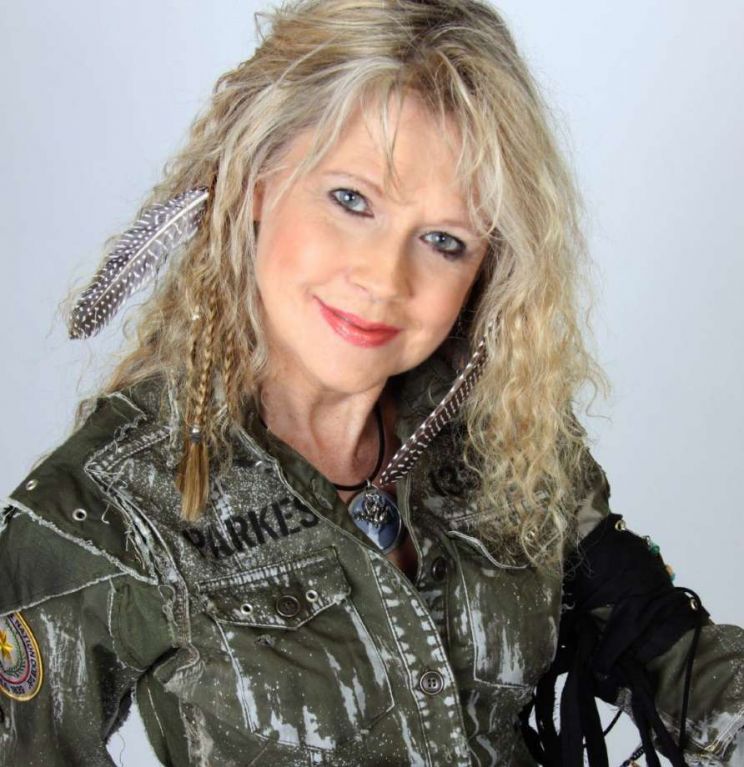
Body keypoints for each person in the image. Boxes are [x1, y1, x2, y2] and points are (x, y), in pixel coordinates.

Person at [0, 0, 742, 765]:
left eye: (444, 240)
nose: (386, 279)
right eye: (351, 199)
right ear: (256, 179)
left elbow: (661, 643)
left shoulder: (501, 428)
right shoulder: (98, 509)